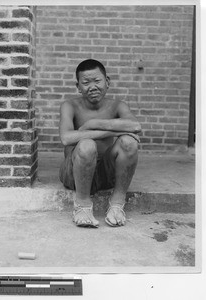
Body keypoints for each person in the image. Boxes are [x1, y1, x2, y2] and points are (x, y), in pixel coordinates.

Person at [59, 59, 141, 228]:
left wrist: (92, 123)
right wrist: (113, 131)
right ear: (78, 87)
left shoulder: (118, 105)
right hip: (74, 174)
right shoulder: (70, 105)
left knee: (129, 142)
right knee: (87, 144)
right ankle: (82, 206)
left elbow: (135, 126)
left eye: (97, 81)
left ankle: (117, 204)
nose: (93, 86)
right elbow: (66, 138)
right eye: (86, 82)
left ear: (107, 82)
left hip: (105, 174)